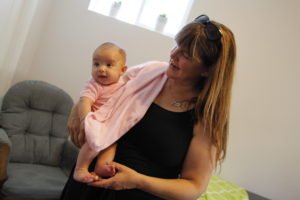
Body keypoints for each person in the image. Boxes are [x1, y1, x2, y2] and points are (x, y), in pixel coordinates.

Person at [62, 14, 236, 200]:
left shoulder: (206, 119)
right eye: (176, 45)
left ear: (207, 70)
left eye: (185, 54)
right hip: (86, 189)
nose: (173, 55)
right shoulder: (149, 73)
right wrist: (78, 110)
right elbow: (103, 89)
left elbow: (193, 187)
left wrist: (137, 180)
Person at [73, 42, 127, 183]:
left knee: (111, 143)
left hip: (110, 124)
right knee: (94, 142)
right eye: (96, 64)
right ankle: (80, 169)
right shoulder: (94, 85)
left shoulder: (123, 83)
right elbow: (85, 101)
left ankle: (102, 165)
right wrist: (86, 119)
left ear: (122, 70)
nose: (101, 69)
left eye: (109, 65)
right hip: (96, 122)